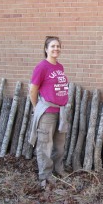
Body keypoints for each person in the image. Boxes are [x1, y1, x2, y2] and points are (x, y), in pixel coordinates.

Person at [29, 36, 69, 188]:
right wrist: (36, 107)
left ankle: (58, 169)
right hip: (47, 112)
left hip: (61, 112)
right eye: (52, 46)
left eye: (58, 46)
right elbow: (33, 90)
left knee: (59, 145)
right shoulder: (42, 67)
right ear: (46, 49)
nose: (56, 49)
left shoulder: (60, 67)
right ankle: (45, 175)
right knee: (45, 145)